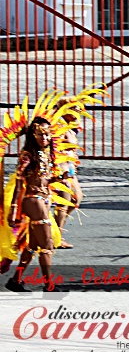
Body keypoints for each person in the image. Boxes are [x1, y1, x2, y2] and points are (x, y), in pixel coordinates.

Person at [5, 119, 60, 292]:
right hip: (33, 199)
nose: (44, 137)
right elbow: (20, 182)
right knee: (47, 244)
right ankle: (49, 285)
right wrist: (14, 208)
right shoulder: (27, 155)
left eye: (47, 133)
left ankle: (15, 281)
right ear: (33, 135)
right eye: (40, 134)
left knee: (33, 246)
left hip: (44, 200)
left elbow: (46, 179)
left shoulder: (47, 154)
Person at [53, 101, 83, 249]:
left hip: (70, 167)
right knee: (64, 201)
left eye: (79, 110)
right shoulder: (56, 125)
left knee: (76, 198)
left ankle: (55, 230)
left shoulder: (70, 126)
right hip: (61, 167)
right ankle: (55, 236)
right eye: (73, 110)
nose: (77, 113)